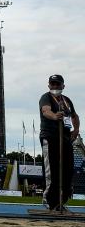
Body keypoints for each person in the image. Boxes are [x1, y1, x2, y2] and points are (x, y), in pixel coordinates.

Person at [38, 74, 80, 211]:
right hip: (50, 136)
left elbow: (75, 116)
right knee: (53, 171)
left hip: (66, 138)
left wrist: (76, 129)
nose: (55, 86)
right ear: (49, 85)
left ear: (63, 86)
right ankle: (50, 201)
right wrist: (55, 116)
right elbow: (46, 111)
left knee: (68, 170)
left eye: (58, 84)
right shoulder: (46, 97)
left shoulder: (67, 100)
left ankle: (62, 202)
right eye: (53, 84)